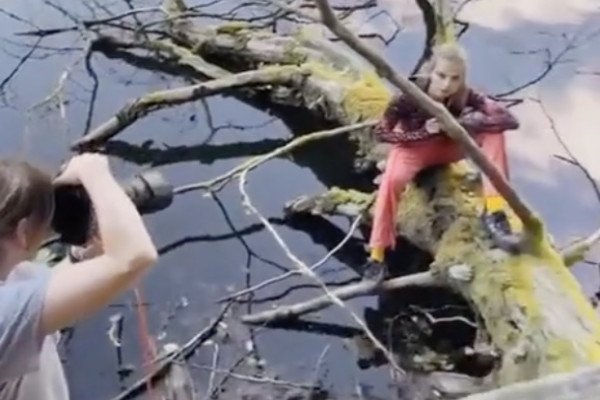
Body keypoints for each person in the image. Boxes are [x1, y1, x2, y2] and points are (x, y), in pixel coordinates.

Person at [0, 154, 158, 399]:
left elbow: (41, 301)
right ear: (22, 232)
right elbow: (135, 256)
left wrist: (81, 258)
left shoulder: (15, 282)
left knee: (27, 273)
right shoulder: (8, 310)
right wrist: (95, 173)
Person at [367, 43, 520, 274]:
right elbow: (381, 132)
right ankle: (377, 255)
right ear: (431, 71)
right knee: (391, 182)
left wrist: (461, 124)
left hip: (450, 147)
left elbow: (509, 119)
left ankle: (494, 210)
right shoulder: (409, 93)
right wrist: (422, 132)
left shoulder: (465, 95)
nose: (447, 84)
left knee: (494, 135)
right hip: (413, 150)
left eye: (455, 78)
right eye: (441, 76)